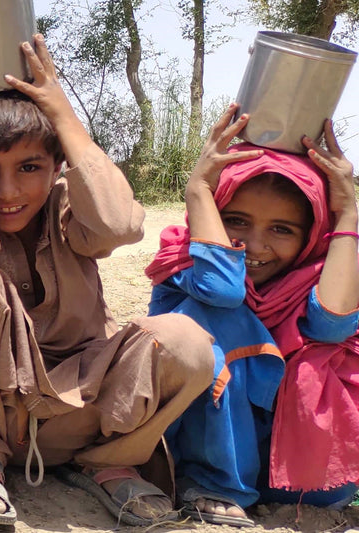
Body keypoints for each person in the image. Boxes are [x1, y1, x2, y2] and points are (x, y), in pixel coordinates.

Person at [0, 39, 215, 526]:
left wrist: (63, 115)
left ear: (56, 168)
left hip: (83, 418)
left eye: (30, 168)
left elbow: (120, 224)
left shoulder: (71, 208)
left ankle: (109, 464)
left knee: (187, 343)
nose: (7, 192)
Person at [146, 106, 359, 526]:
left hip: (295, 473)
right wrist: (198, 190)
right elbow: (223, 290)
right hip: (204, 460)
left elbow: (332, 325)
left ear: (312, 234)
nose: (255, 246)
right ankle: (213, 481)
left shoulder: (320, 276)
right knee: (211, 316)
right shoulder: (186, 264)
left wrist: (349, 213)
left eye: (282, 229)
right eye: (235, 221)